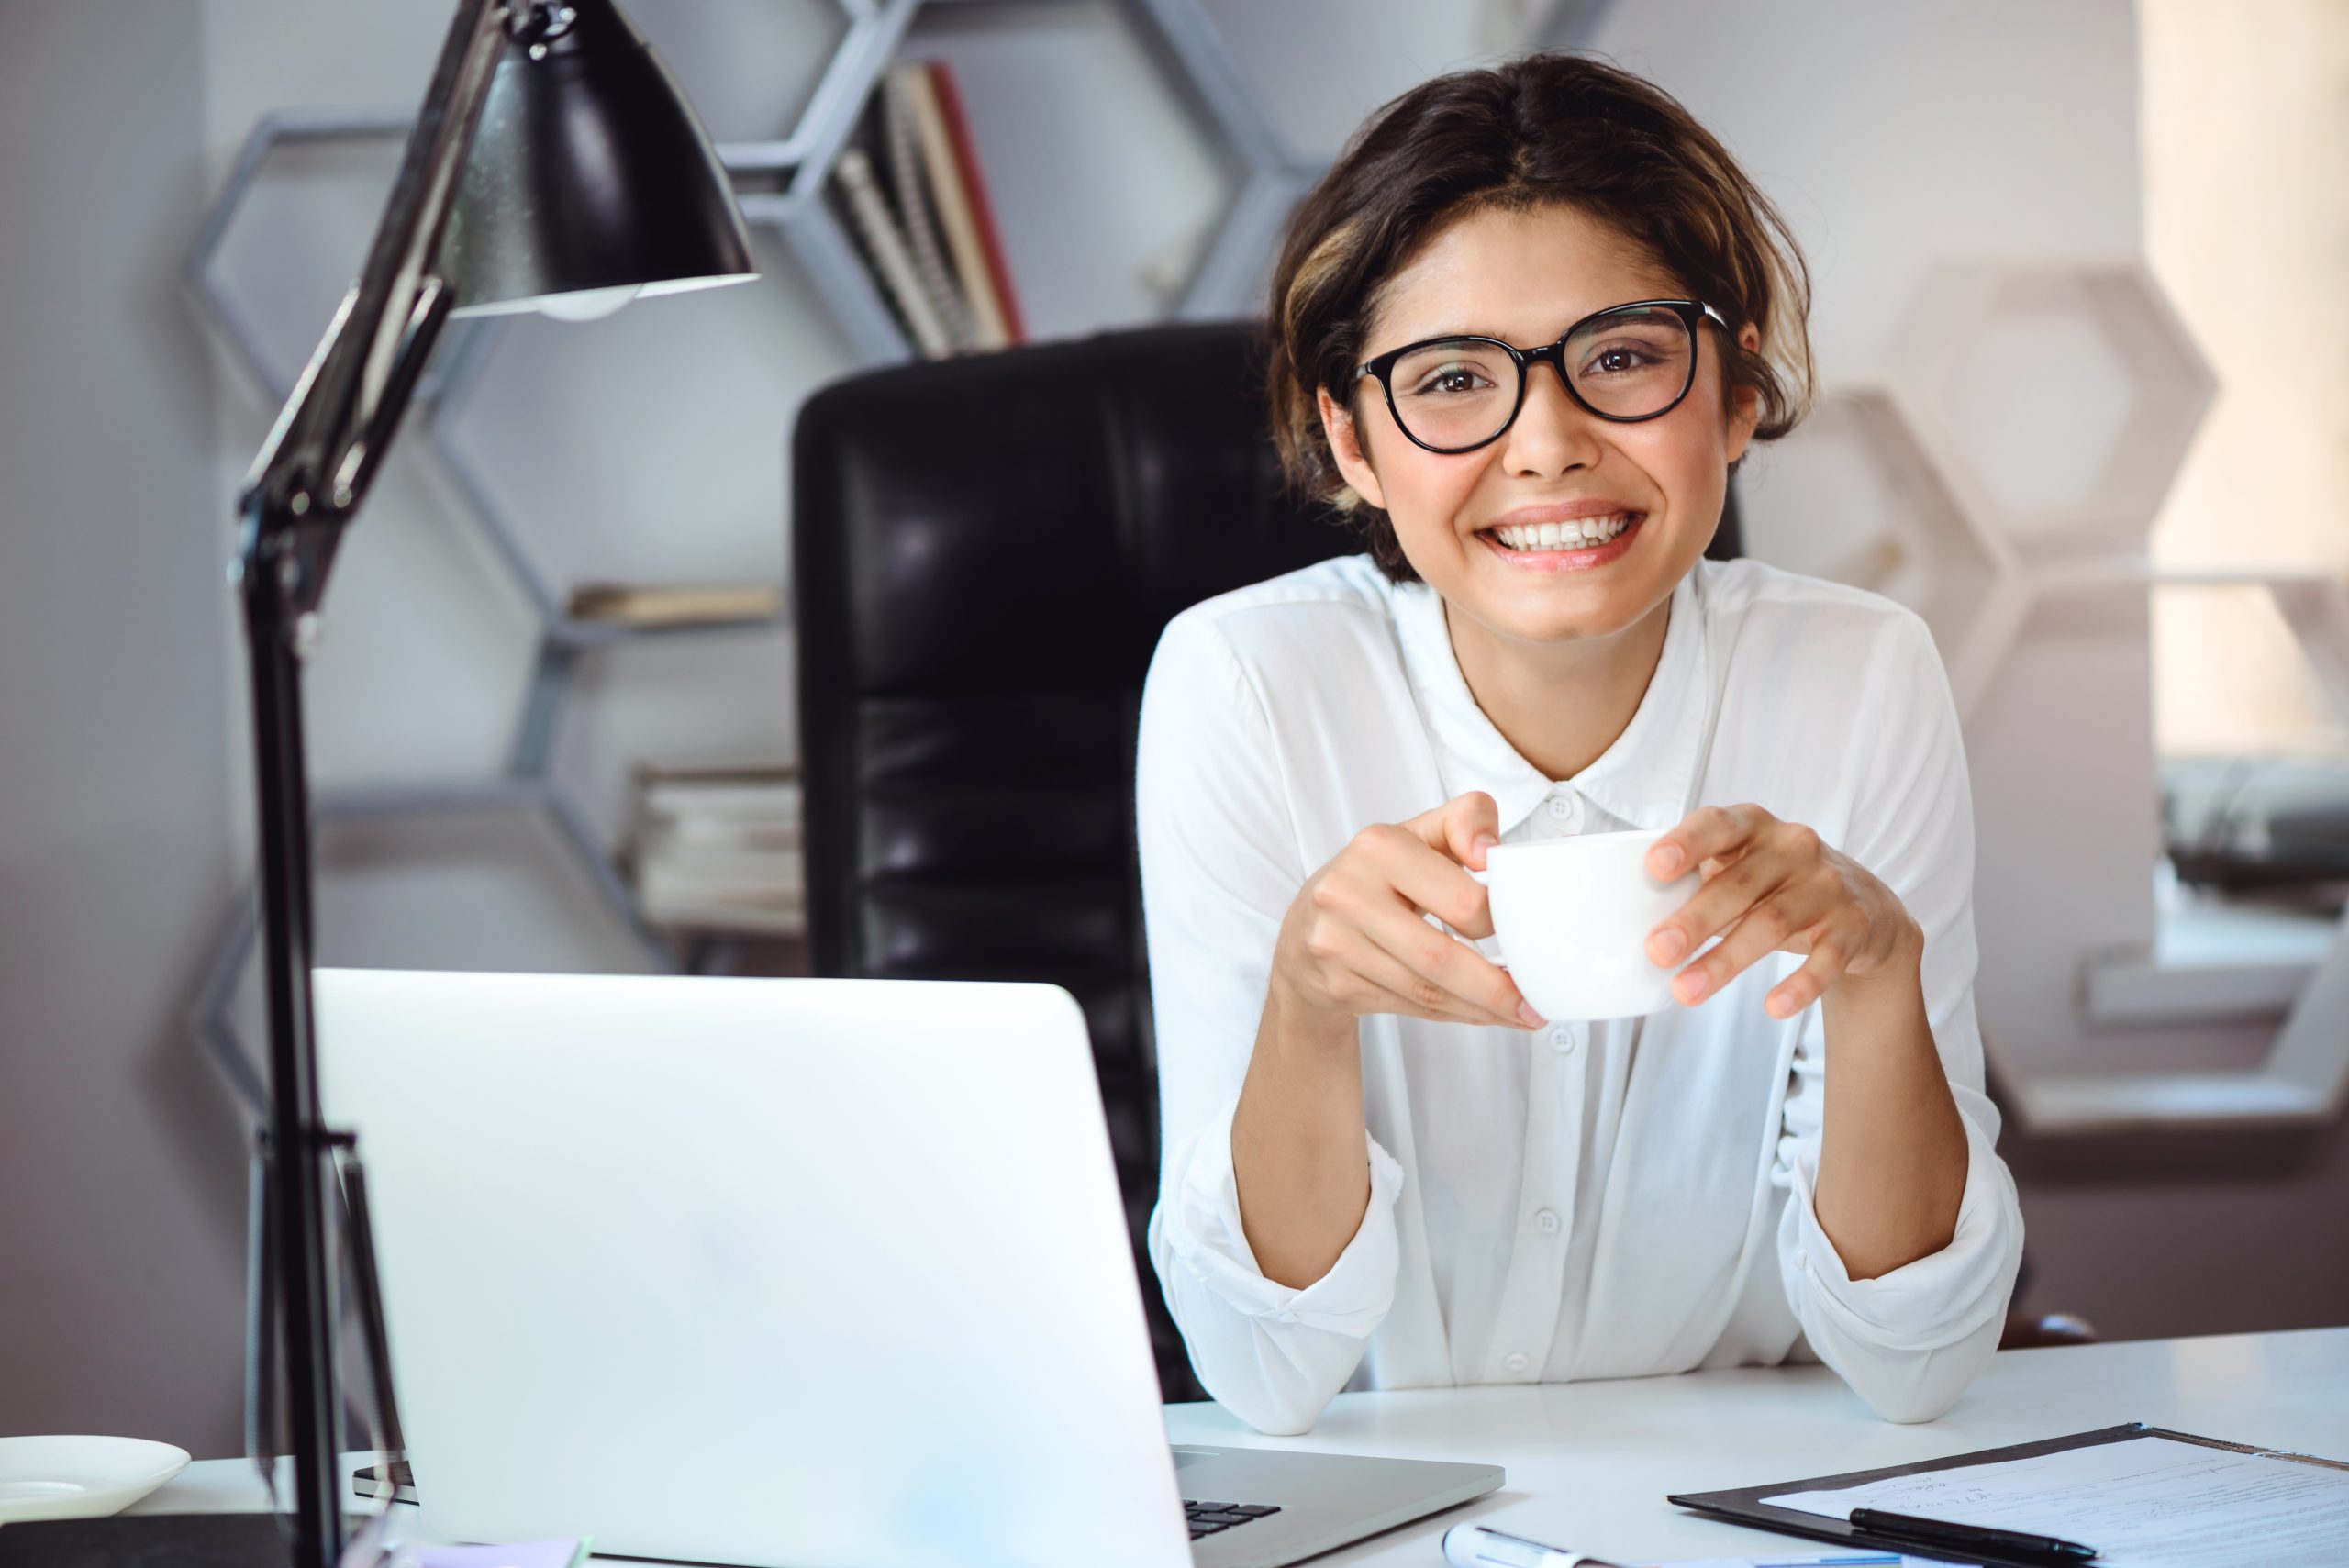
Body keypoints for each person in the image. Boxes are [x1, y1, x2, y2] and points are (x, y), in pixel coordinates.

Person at [1136, 52, 2023, 1438]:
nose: (1545, 445)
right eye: (1450, 380)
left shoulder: (1858, 674)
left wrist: (1876, 977)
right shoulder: (1244, 686)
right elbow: (1262, 1375)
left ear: (1734, 392)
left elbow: (1919, 1360)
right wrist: (1308, 1010)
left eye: (1620, 357)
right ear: (1351, 439)